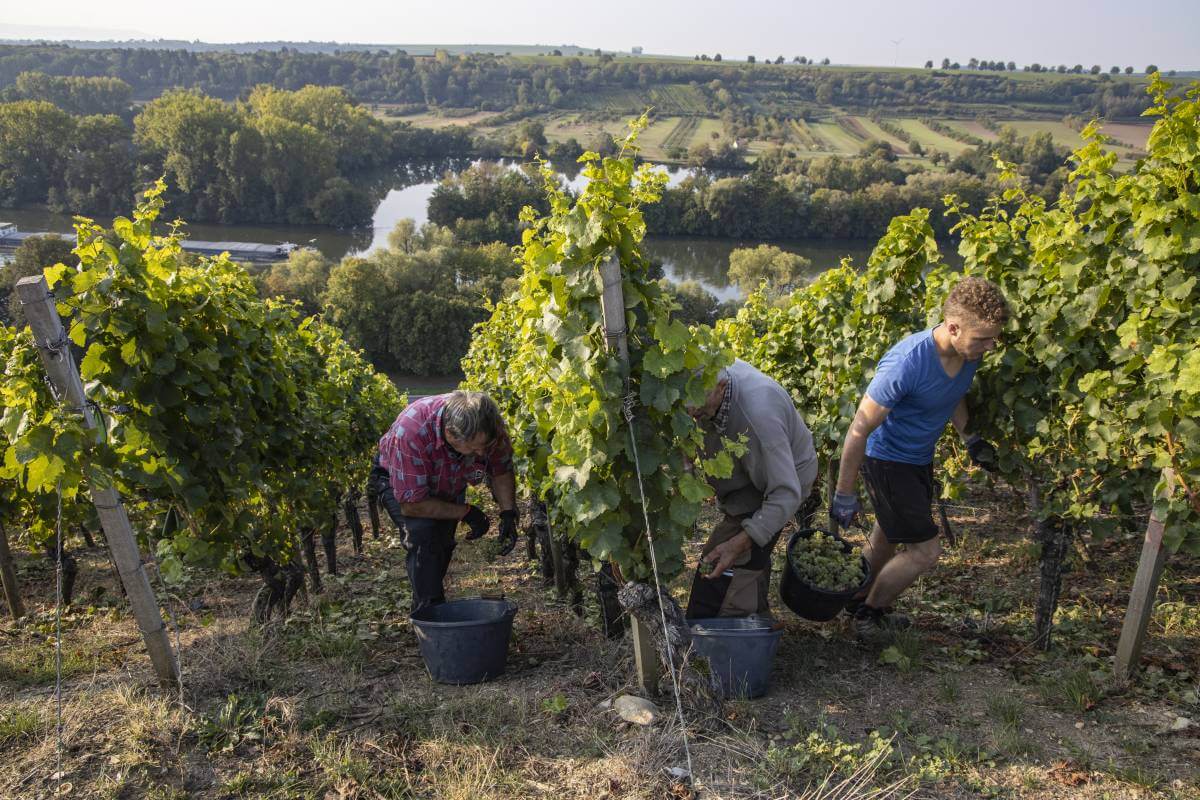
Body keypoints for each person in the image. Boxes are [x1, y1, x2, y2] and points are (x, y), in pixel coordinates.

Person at [830, 277, 1009, 635]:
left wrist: (969, 436)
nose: (990, 346)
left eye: (993, 338)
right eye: (983, 339)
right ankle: (870, 615)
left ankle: (854, 600)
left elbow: (953, 393)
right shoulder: (907, 363)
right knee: (925, 552)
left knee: (886, 535)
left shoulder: (966, 352)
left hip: (918, 460)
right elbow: (859, 429)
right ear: (953, 327)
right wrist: (844, 494)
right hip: (887, 462)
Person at [686, 359, 819, 619]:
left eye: (697, 407)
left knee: (721, 565)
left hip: (785, 479)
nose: (691, 413)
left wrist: (740, 542)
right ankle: (757, 619)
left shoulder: (758, 419)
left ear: (722, 387)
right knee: (749, 554)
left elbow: (784, 493)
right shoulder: (703, 377)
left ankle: (728, 636)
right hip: (749, 474)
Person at [369, 390, 519, 613]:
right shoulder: (411, 432)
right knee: (424, 537)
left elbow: (500, 469)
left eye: (484, 447)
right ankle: (430, 616)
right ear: (450, 433)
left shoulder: (488, 427)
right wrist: (466, 511)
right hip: (401, 480)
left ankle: (429, 601)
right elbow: (413, 504)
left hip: (448, 477)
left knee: (443, 542)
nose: (481, 453)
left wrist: (508, 513)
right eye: (473, 448)